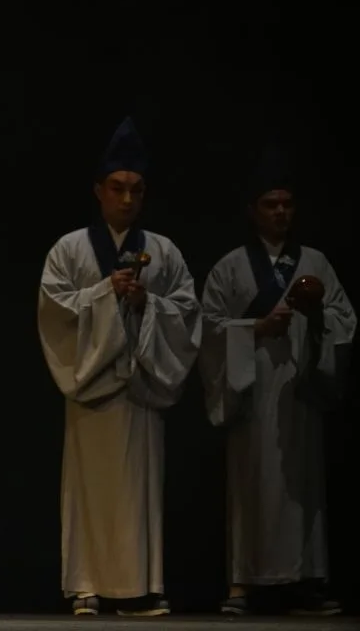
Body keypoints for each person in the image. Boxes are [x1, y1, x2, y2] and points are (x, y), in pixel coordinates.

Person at [36, 117, 202, 617]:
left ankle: (141, 587)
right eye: (117, 188)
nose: (127, 199)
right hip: (93, 384)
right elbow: (55, 310)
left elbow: (186, 312)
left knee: (138, 492)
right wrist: (106, 293)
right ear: (98, 190)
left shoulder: (163, 251)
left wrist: (147, 302)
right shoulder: (70, 249)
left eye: (136, 189)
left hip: (141, 386)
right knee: (90, 490)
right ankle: (85, 585)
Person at [197, 146, 354, 616]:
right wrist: (256, 328)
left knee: (302, 486)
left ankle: (306, 582)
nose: (281, 211)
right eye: (271, 204)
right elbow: (208, 329)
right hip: (251, 390)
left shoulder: (316, 263)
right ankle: (242, 583)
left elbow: (345, 319)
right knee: (251, 484)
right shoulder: (230, 267)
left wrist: (317, 319)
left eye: (287, 203)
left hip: (298, 389)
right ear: (253, 210)